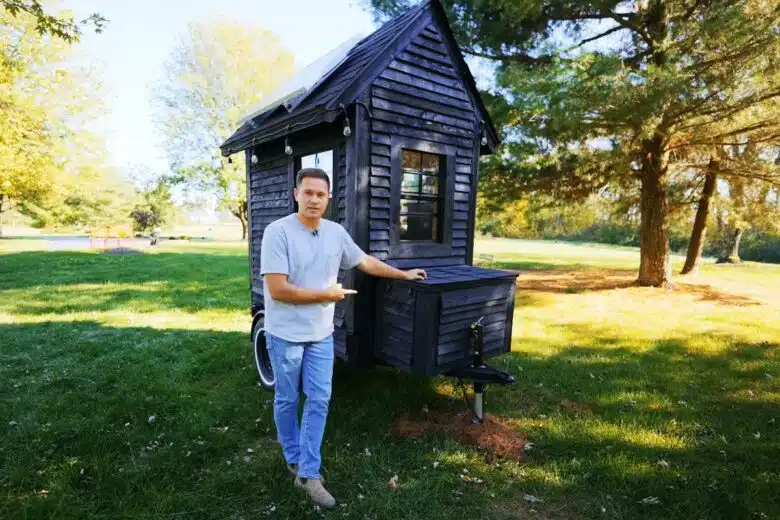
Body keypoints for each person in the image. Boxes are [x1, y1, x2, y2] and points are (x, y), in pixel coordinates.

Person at [260, 168, 426, 509]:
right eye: (308, 193)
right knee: (288, 399)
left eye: (320, 194)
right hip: (285, 334)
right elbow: (277, 290)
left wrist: (403, 273)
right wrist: (326, 295)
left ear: (328, 198)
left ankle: (308, 473)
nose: (314, 200)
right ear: (296, 194)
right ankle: (293, 455)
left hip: (321, 335)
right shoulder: (277, 233)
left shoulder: (335, 233)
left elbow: (364, 261)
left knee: (319, 400)